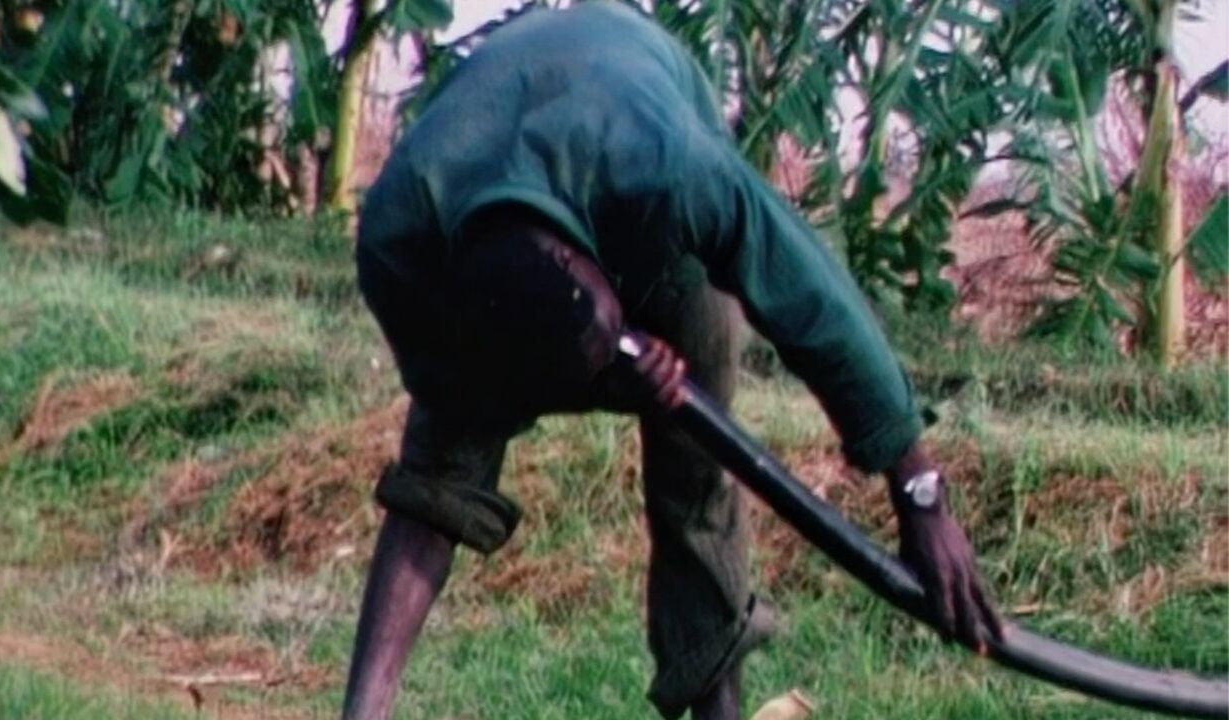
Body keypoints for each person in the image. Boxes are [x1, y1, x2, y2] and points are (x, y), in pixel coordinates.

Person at [344, 3, 1002, 719]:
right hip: (480, 224)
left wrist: (919, 491)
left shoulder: (673, 171)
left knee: (695, 466)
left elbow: (815, 300)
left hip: (629, 107)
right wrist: (605, 374)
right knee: (442, 454)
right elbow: (446, 410)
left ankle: (718, 709)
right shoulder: (400, 241)